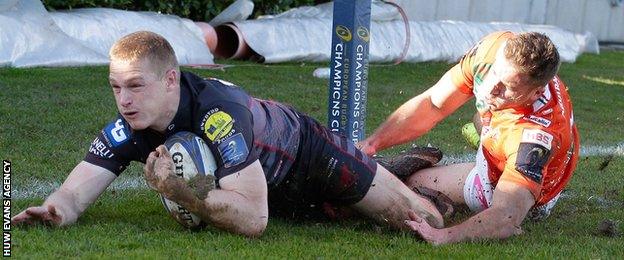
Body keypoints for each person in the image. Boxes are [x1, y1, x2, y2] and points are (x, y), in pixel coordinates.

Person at [12, 31, 445, 237]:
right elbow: (74, 192)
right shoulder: (131, 126)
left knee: (423, 222)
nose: (124, 100)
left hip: (308, 157)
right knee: (331, 215)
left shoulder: (219, 113)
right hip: (260, 185)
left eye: (135, 86)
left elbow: (253, 222)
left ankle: (401, 178)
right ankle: (384, 174)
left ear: (170, 81)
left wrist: (181, 192)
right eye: (116, 87)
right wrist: (54, 210)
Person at [357, 31, 579, 245]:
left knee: (414, 183)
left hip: (530, 194)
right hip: (510, 135)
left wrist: (444, 237)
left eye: (507, 87)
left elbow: (506, 217)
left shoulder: (534, 139)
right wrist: (372, 143)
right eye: (495, 73)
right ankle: (490, 145)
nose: (491, 88)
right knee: (480, 116)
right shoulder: (492, 49)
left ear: (536, 93)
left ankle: (500, 164)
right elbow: (433, 104)